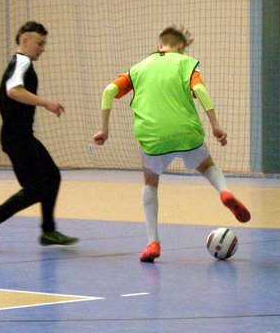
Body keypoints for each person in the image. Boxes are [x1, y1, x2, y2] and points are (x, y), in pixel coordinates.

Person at [93, 26, 251, 263]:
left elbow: (109, 91)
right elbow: (200, 90)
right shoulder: (186, 63)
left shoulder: (137, 69)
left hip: (152, 136)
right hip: (185, 132)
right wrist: (215, 125)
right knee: (207, 165)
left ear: (158, 46)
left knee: (150, 181)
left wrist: (104, 130)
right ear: (180, 46)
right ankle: (224, 191)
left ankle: (153, 242)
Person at [0, 21, 78, 249]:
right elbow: (13, 91)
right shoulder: (22, 62)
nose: (43, 49)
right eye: (40, 43)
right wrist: (46, 103)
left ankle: (48, 231)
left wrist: (12, 117)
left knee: (52, 176)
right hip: (17, 138)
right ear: (25, 40)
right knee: (35, 189)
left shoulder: (16, 65)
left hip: (22, 135)